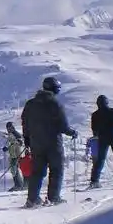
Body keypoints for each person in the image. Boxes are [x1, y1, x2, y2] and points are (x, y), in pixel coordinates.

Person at [20, 77, 77, 208]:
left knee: (37, 171)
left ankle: (32, 199)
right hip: (53, 143)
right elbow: (63, 126)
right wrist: (72, 133)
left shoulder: (30, 104)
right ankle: (53, 197)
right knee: (56, 170)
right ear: (55, 89)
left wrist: (27, 140)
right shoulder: (55, 104)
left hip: (36, 144)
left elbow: (25, 123)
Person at [2, 121, 26, 191]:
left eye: (10, 128)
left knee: (16, 169)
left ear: (13, 127)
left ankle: (19, 185)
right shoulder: (10, 135)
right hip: (13, 154)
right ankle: (18, 184)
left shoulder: (16, 134)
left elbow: (20, 142)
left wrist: (18, 142)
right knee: (13, 170)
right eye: (8, 128)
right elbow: (10, 144)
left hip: (18, 154)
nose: (9, 129)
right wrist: (6, 148)